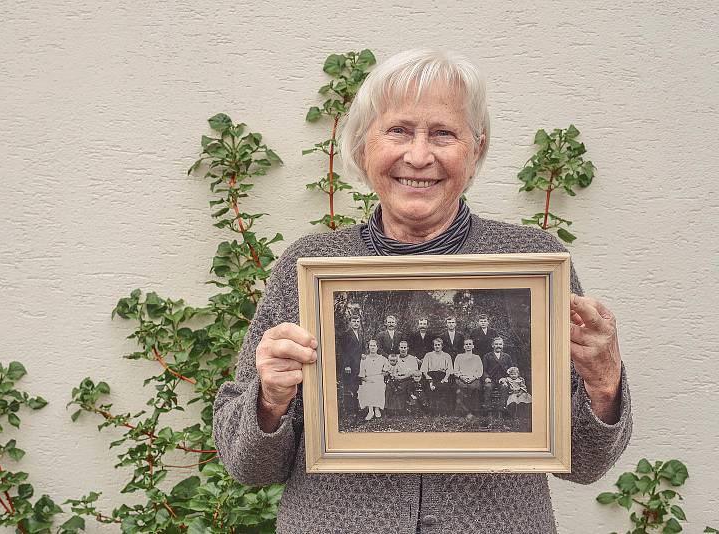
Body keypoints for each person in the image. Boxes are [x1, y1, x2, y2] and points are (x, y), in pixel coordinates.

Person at [213, 49, 632, 533]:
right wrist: (269, 400)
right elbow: (247, 467)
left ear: (476, 149)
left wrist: (604, 384)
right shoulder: (309, 269)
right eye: (398, 130)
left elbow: (584, 464)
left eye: (443, 133)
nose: (418, 156)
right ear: (362, 145)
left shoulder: (530, 265)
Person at [335, 314, 366, 416]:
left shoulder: (360, 335)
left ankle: (356, 409)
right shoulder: (346, 334)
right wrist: (346, 365)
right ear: (350, 322)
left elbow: (362, 348)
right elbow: (343, 351)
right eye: (354, 321)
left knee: (356, 386)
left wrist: (363, 354)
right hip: (349, 365)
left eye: (357, 322)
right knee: (350, 387)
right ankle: (350, 411)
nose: (356, 323)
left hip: (358, 364)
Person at [482, 336, 518, 416]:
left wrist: (506, 378)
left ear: (503, 345)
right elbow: (484, 370)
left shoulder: (507, 356)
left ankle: (502, 410)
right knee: (487, 387)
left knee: (504, 387)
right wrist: (486, 377)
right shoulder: (487, 356)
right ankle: (487, 410)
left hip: (503, 379)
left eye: (500, 344)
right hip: (491, 379)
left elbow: (511, 369)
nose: (498, 346)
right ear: (492, 345)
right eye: (496, 344)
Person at [420, 337, 454, 415]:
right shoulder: (428, 355)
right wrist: (427, 376)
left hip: (442, 375)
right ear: (433, 346)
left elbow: (449, 369)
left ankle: (442, 412)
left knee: (443, 388)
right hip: (431, 375)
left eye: (439, 345)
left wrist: (445, 378)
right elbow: (424, 368)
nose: (437, 346)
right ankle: (431, 411)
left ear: (442, 346)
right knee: (429, 388)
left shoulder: (447, 355)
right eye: (435, 345)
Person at [452, 338, 484, 418]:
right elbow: (456, 370)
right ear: (464, 346)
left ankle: (474, 412)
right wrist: (462, 377)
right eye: (466, 344)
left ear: (473, 346)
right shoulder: (459, 357)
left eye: (470, 344)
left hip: (473, 378)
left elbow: (480, 370)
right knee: (461, 388)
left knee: (474, 388)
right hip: (461, 378)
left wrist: (473, 378)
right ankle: (461, 412)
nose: (468, 346)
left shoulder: (477, 357)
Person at [358, 339, 388, 420]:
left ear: (377, 347)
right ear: (369, 347)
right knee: (368, 387)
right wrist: (367, 380)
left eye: (374, 345)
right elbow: (361, 374)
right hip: (367, 379)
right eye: (371, 345)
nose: (372, 347)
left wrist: (385, 373)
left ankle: (377, 409)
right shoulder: (364, 359)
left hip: (379, 378)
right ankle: (370, 410)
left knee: (379, 386)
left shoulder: (383, 359)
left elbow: (386, 371)